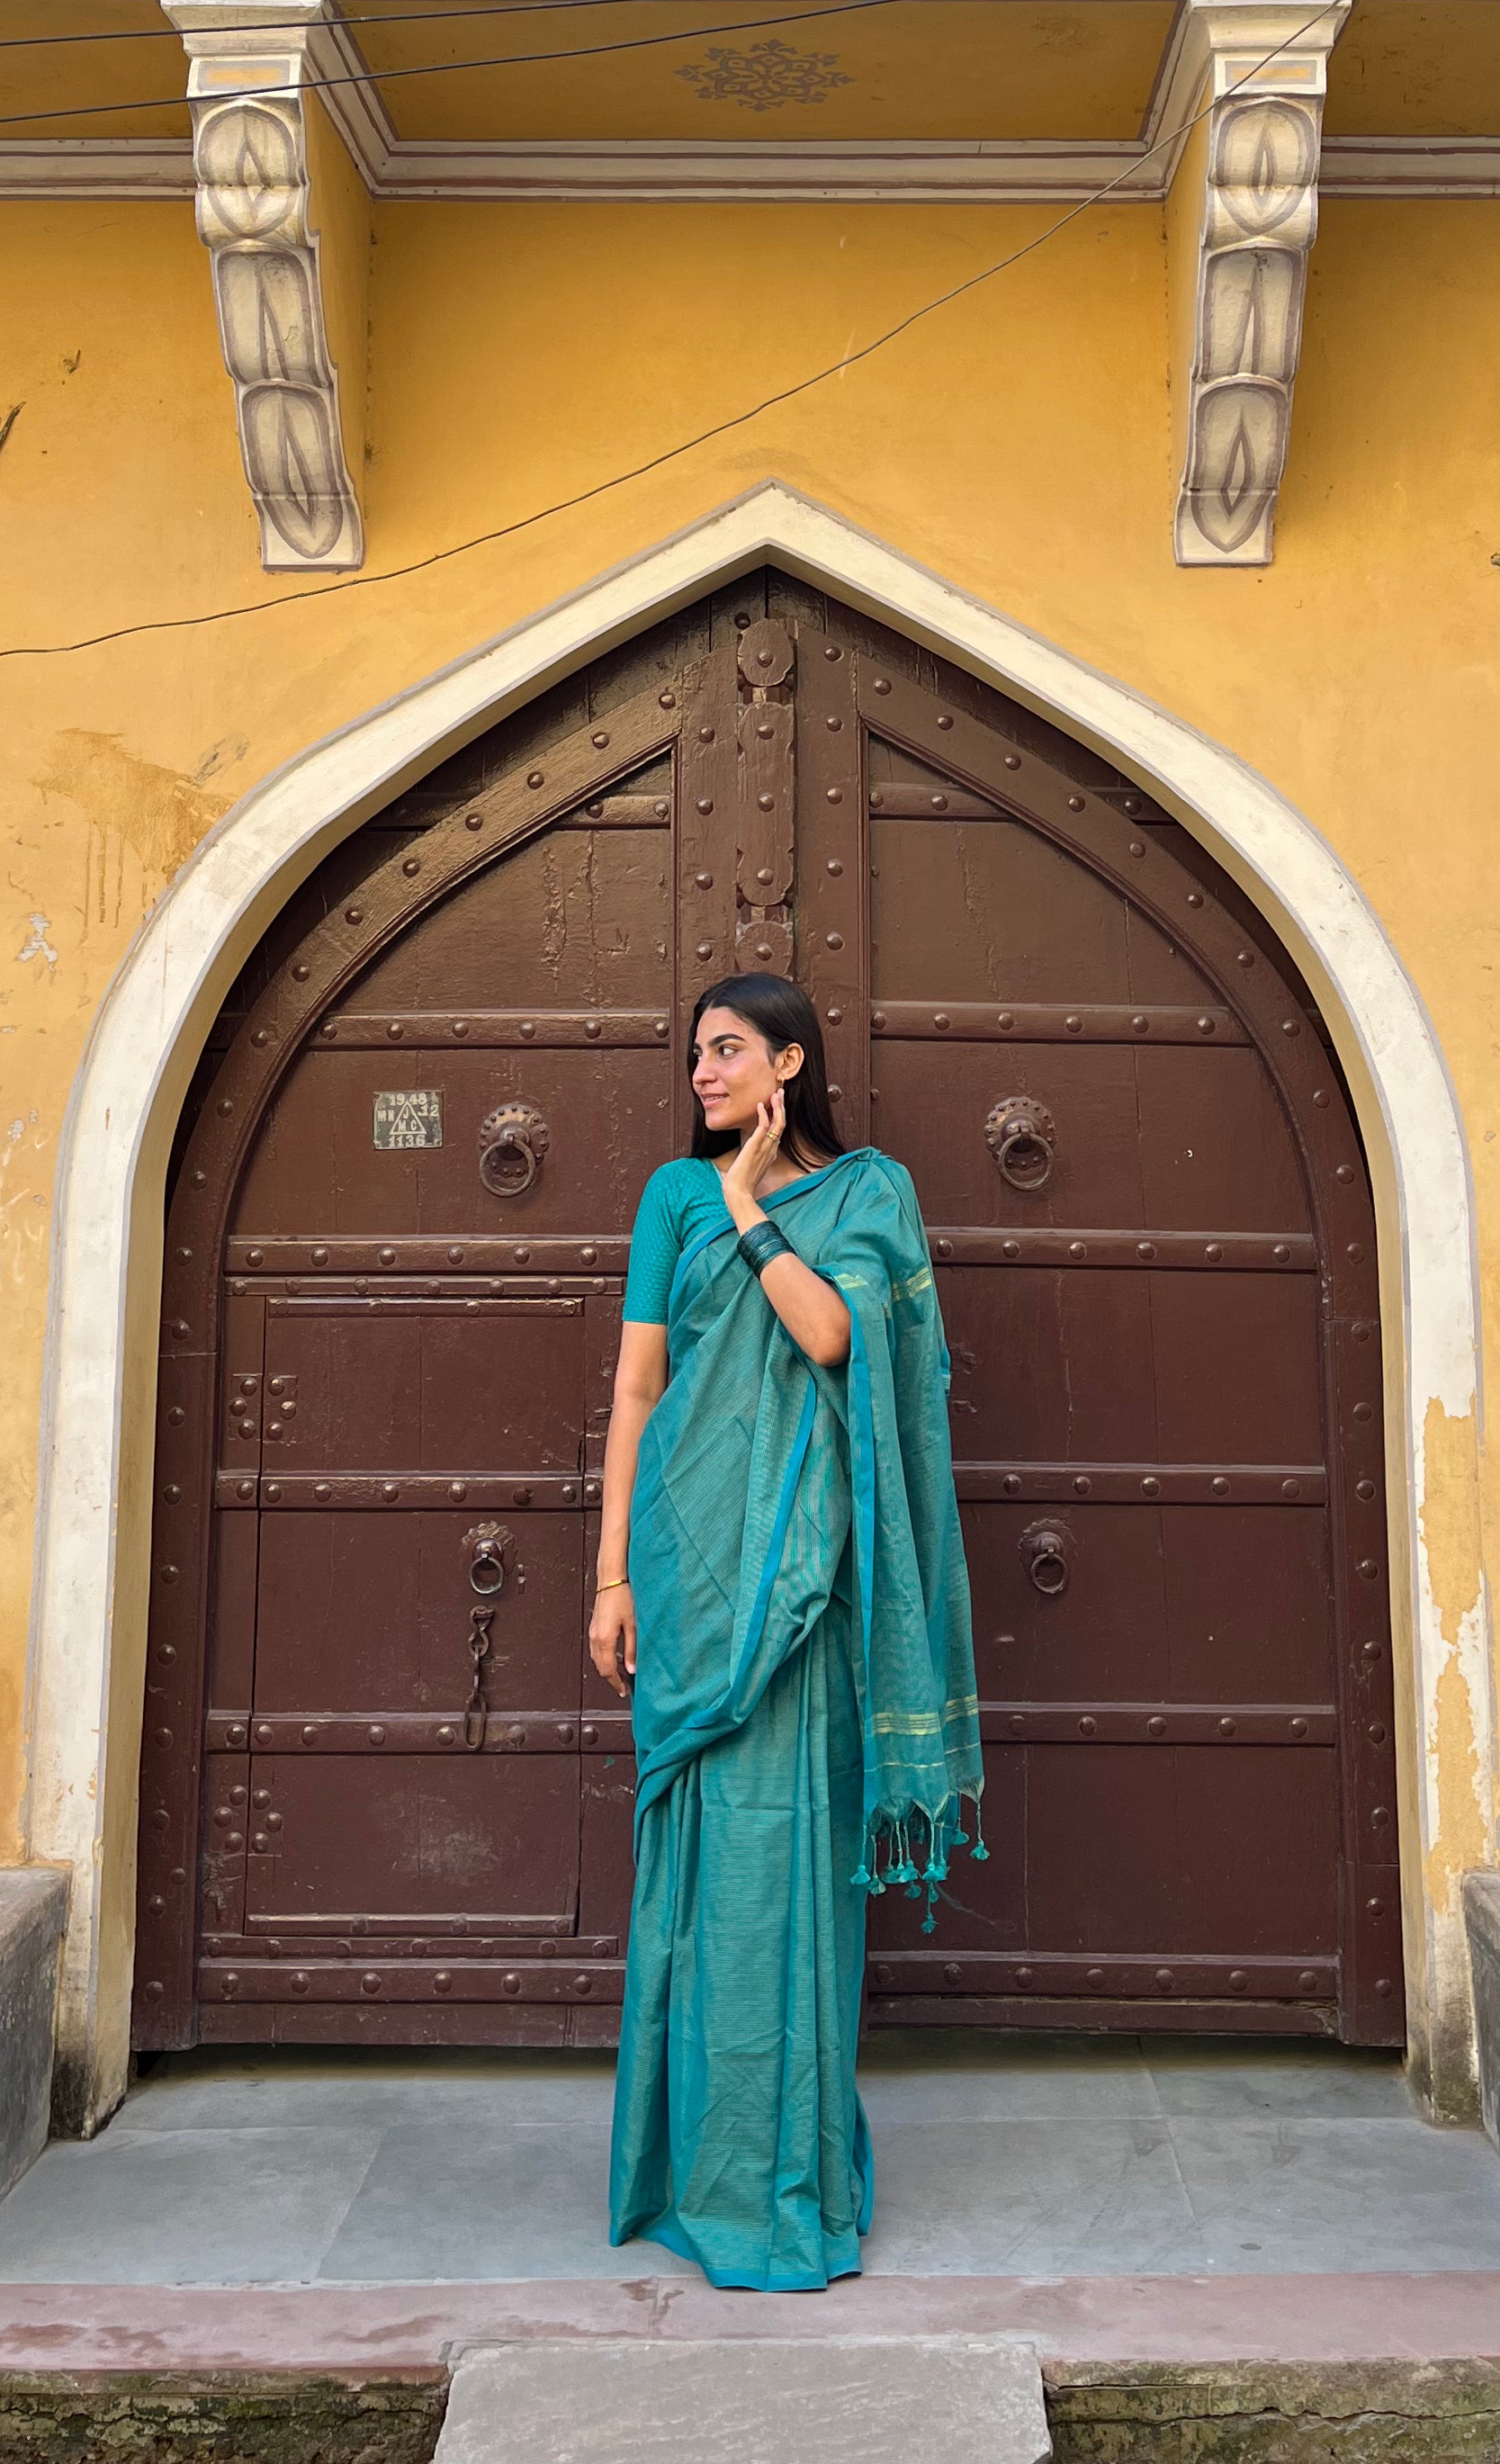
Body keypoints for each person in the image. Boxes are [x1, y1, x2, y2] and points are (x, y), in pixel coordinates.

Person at [591, 972, 982, 2291]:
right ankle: (693, 2176)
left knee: (786, 1885)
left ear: (790, 1065)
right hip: (687, 1575)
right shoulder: (664, 1197)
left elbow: (830, 1336)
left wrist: (753, 1208)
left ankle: (789, 2180)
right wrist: (611, 1577)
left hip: (803, 1588)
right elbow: (640, 1386)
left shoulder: (868, 1196)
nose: (701, 1074)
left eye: (727, 1051)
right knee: (700, 1890)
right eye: (694, 1052)